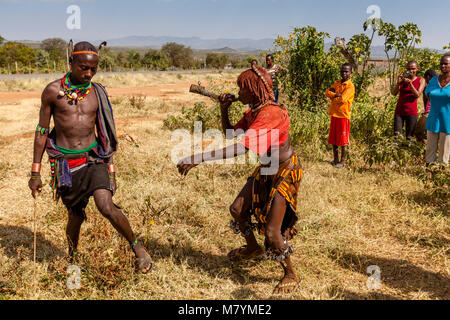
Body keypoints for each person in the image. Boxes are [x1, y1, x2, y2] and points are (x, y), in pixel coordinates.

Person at [28, 41, 153, 273]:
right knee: (75, 215)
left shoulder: (97, 93)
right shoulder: (52, 91)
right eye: (83, 68)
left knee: (106, 205)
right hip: (65, 164)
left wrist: (111, 170)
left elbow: (105, 134)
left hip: (93, 158)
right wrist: (35, 172)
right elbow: (42, 132)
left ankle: (138, 249)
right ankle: (72, 256)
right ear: (71, 63)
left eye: (93, 69)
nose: (88, 73)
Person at [177, 65, 302, 294]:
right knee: (237, 209)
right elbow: (230, 135)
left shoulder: (270, 114)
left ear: (253, 89)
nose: (239, 92)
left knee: (273, 233)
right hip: (266, 169)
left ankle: (290, 273)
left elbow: (242, 147)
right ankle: (252, 249)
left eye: (241, 89)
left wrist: (199, 158)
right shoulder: (254, 111)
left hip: (284, 172)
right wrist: (224, 109)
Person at [325, 63, 355, 169]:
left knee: (343, 140)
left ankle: (343, 161)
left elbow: (342, 99)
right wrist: (334, 95)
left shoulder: (350, 86)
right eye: (342, 71)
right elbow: (327, 92)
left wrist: (334, 97)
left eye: (346, 71)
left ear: (350, 73)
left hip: (343, 115)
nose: (344, 73)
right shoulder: (337, 83)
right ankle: (335, 159)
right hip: (334, 113)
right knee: (334, 138)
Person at [424, 54, 450, 165]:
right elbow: (427, 95)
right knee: (430, 150)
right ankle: (428, 175)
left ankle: (441, 176)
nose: (443, 66)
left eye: (446, 64)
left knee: (444, 153)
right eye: (441, 63)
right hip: (433, 119)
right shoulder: (434, 80)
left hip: (447, 121)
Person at [393, 61, 426, 139]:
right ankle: (396, 150)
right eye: (408, 69)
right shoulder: (402, 80)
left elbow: (417, 95)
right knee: (397, 136)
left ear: (417, 69)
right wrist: (398, 83)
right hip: (399, 111)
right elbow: (394, 93)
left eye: (413, 69)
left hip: (411, 112)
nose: (411, 71)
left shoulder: (421, 80)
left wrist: (410, 84)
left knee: (409, 137)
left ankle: (407, 150)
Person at [415, 69, 438, 142]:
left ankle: (426, 145)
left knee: (417, 132)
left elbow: (426, 103)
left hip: (429, 114)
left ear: (428, 77)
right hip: (438, 114)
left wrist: (426, 113)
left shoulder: (428, 88)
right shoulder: (441, 85)